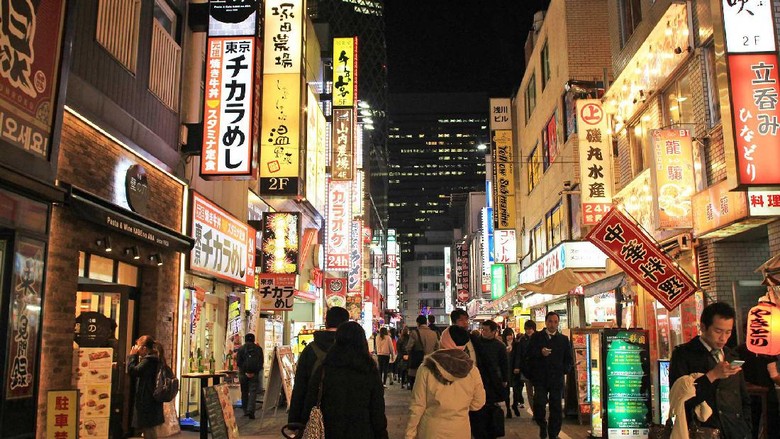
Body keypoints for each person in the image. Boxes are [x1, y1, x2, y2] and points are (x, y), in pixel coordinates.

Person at [670, 302, 751, 439]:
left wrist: (746, 429)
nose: (723, 338)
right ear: (703, 327)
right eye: (718, 331)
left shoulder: (731, 355)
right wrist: (712, 375)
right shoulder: (684, 354)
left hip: (735, 431)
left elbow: (744, 399)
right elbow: (679, 399)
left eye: (728, 332)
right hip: (702, 432)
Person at [302, 322, 389, 438]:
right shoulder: (369, 370)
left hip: (329, 432)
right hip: (363, 432)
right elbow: (377, 411)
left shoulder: (324, 370)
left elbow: (310, 403)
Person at [405, 325, 486, 439]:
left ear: (443, 341)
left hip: (432, 430)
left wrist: (410, 433)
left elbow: (417, 405)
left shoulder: (426, 368)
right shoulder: (472, 370)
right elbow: (478, 402)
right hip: (460, 430)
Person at [289, 306, 350, 424]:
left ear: (326, 322)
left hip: (314, 415)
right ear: (346, 324)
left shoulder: (310, 350)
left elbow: (300, 388)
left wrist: (294, 421)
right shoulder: (354, 349)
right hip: (347, 416)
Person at [526, 312, 573, 439]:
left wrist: (564, 370)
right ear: (546, 322)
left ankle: (553, 433)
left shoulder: (563, 339)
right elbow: (529, 355)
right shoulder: (536, 337)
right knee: (539, 404)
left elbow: (568, 359)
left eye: (555, 322)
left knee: (556, 408)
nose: (553, 324)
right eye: (550, 321)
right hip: (540, 378)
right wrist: (540, 353)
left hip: (556, 379)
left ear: (558, 323)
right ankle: (542, 424)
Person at [471, 320, 509, 439]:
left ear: (494, 332)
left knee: (490, 406)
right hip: (477, 379)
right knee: (478, 407)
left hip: (492, 381)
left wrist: (505, 379)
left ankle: (490, 430)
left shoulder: (499, 346)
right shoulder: (475, 344)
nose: (483, 332)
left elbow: (504, 364)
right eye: (482, 329)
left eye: (486, 330)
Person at [127, 335, 164, 438]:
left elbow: (133, 371)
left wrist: (132, 356)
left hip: (147, 400)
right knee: (149, 429)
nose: (136, 349)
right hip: (151, 399)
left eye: (138, 346)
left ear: (144, 348)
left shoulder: (149, 360)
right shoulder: (154, 358)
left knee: (149, 430)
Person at [405, 315, 440, 389]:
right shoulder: (433, 333)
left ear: (418, 323)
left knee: (416, 384)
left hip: (417, 363)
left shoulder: (414, 333)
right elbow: (437, 348)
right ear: (426, 322)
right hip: (430, 363)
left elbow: (409, 347)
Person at [236, 333, 263, 419]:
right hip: (254, 374)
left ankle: (245, 410)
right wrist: (254, 372)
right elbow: (261, 362)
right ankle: (251, 410)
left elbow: (239, 363)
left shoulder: (241, 349)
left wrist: (245, 372)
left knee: (244, 392)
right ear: (254, 339)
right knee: (253, 392)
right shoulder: (258, 349)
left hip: (243, 374)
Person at [513, 320, 537, 415]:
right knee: (529, 392)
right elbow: (519, 354)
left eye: (530, 329)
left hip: (537, 370)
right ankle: (535, 412)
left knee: (539, 392)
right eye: (526, 329)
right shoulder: (522, 340)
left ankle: (538, 410)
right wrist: (517, 367)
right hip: (526, 369)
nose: (528, 331)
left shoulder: (539, 338)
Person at [501, 327, 518, 418]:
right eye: (508, 335)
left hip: (514, 370)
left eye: (511, 335)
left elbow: (518, 356)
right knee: (506, 391)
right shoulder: (501, 345)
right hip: (506, 371)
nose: (510, 337)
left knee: (516, 390)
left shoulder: (516, 344)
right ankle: (508, 409)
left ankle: (515, 404)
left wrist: (517, 367)